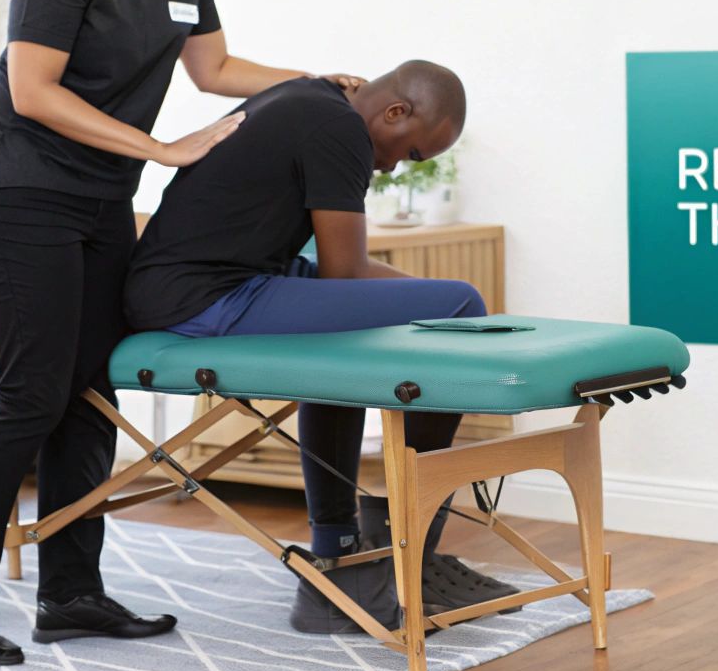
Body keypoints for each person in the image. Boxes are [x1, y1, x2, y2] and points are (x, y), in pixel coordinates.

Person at [0, 0, 363, 666]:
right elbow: (33, 90)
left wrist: (316, 78)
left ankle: (70, 592)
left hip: (97, 199)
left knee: (90, 394)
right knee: (34, 391)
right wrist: (161, 148)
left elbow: (213, 68)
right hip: (18, 189)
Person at [124, 61, 520, 633]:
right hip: (205, 295)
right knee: (460, 303)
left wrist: (418, 297)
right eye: (408, 153)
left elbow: (342, 277)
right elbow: (345, 272)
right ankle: (413, 552)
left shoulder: (314, 100)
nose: (391, 168)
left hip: (200, 282)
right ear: (394, 112)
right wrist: (439, 304)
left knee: (374, 334)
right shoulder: (341, 133)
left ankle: (340, 550)